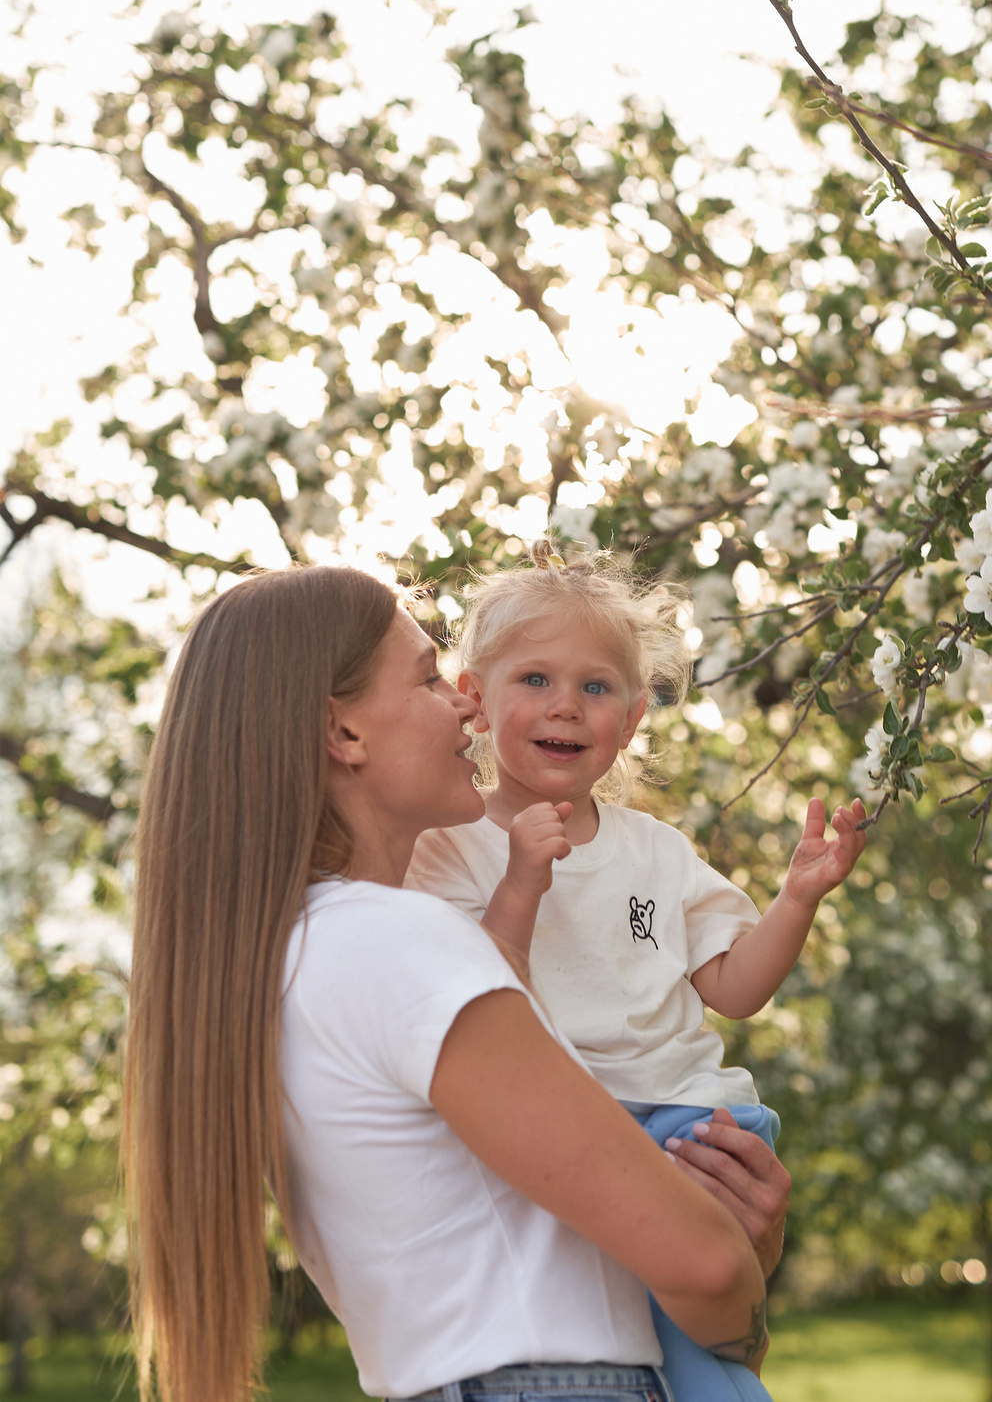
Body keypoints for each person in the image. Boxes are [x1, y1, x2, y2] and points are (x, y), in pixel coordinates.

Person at [123, 564, 788, 1402]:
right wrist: (738, 1288)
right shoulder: (405, 944)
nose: (467, 705)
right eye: (430, 678)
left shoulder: (295, 954)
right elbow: (704, 1262)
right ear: (345, 734)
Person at [402, 547, 863, 1402]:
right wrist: (519, 885)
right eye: (534, 679)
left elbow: (731, 985)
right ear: (474, 694)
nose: (565, 706)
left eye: (597, 687)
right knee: (653, 1341)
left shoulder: (655, 850)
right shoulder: (449, 847)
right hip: (577, 1126)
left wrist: (796, 898)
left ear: (636, 713)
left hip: (694, 1125)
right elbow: (475, 991)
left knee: (699, 1355)